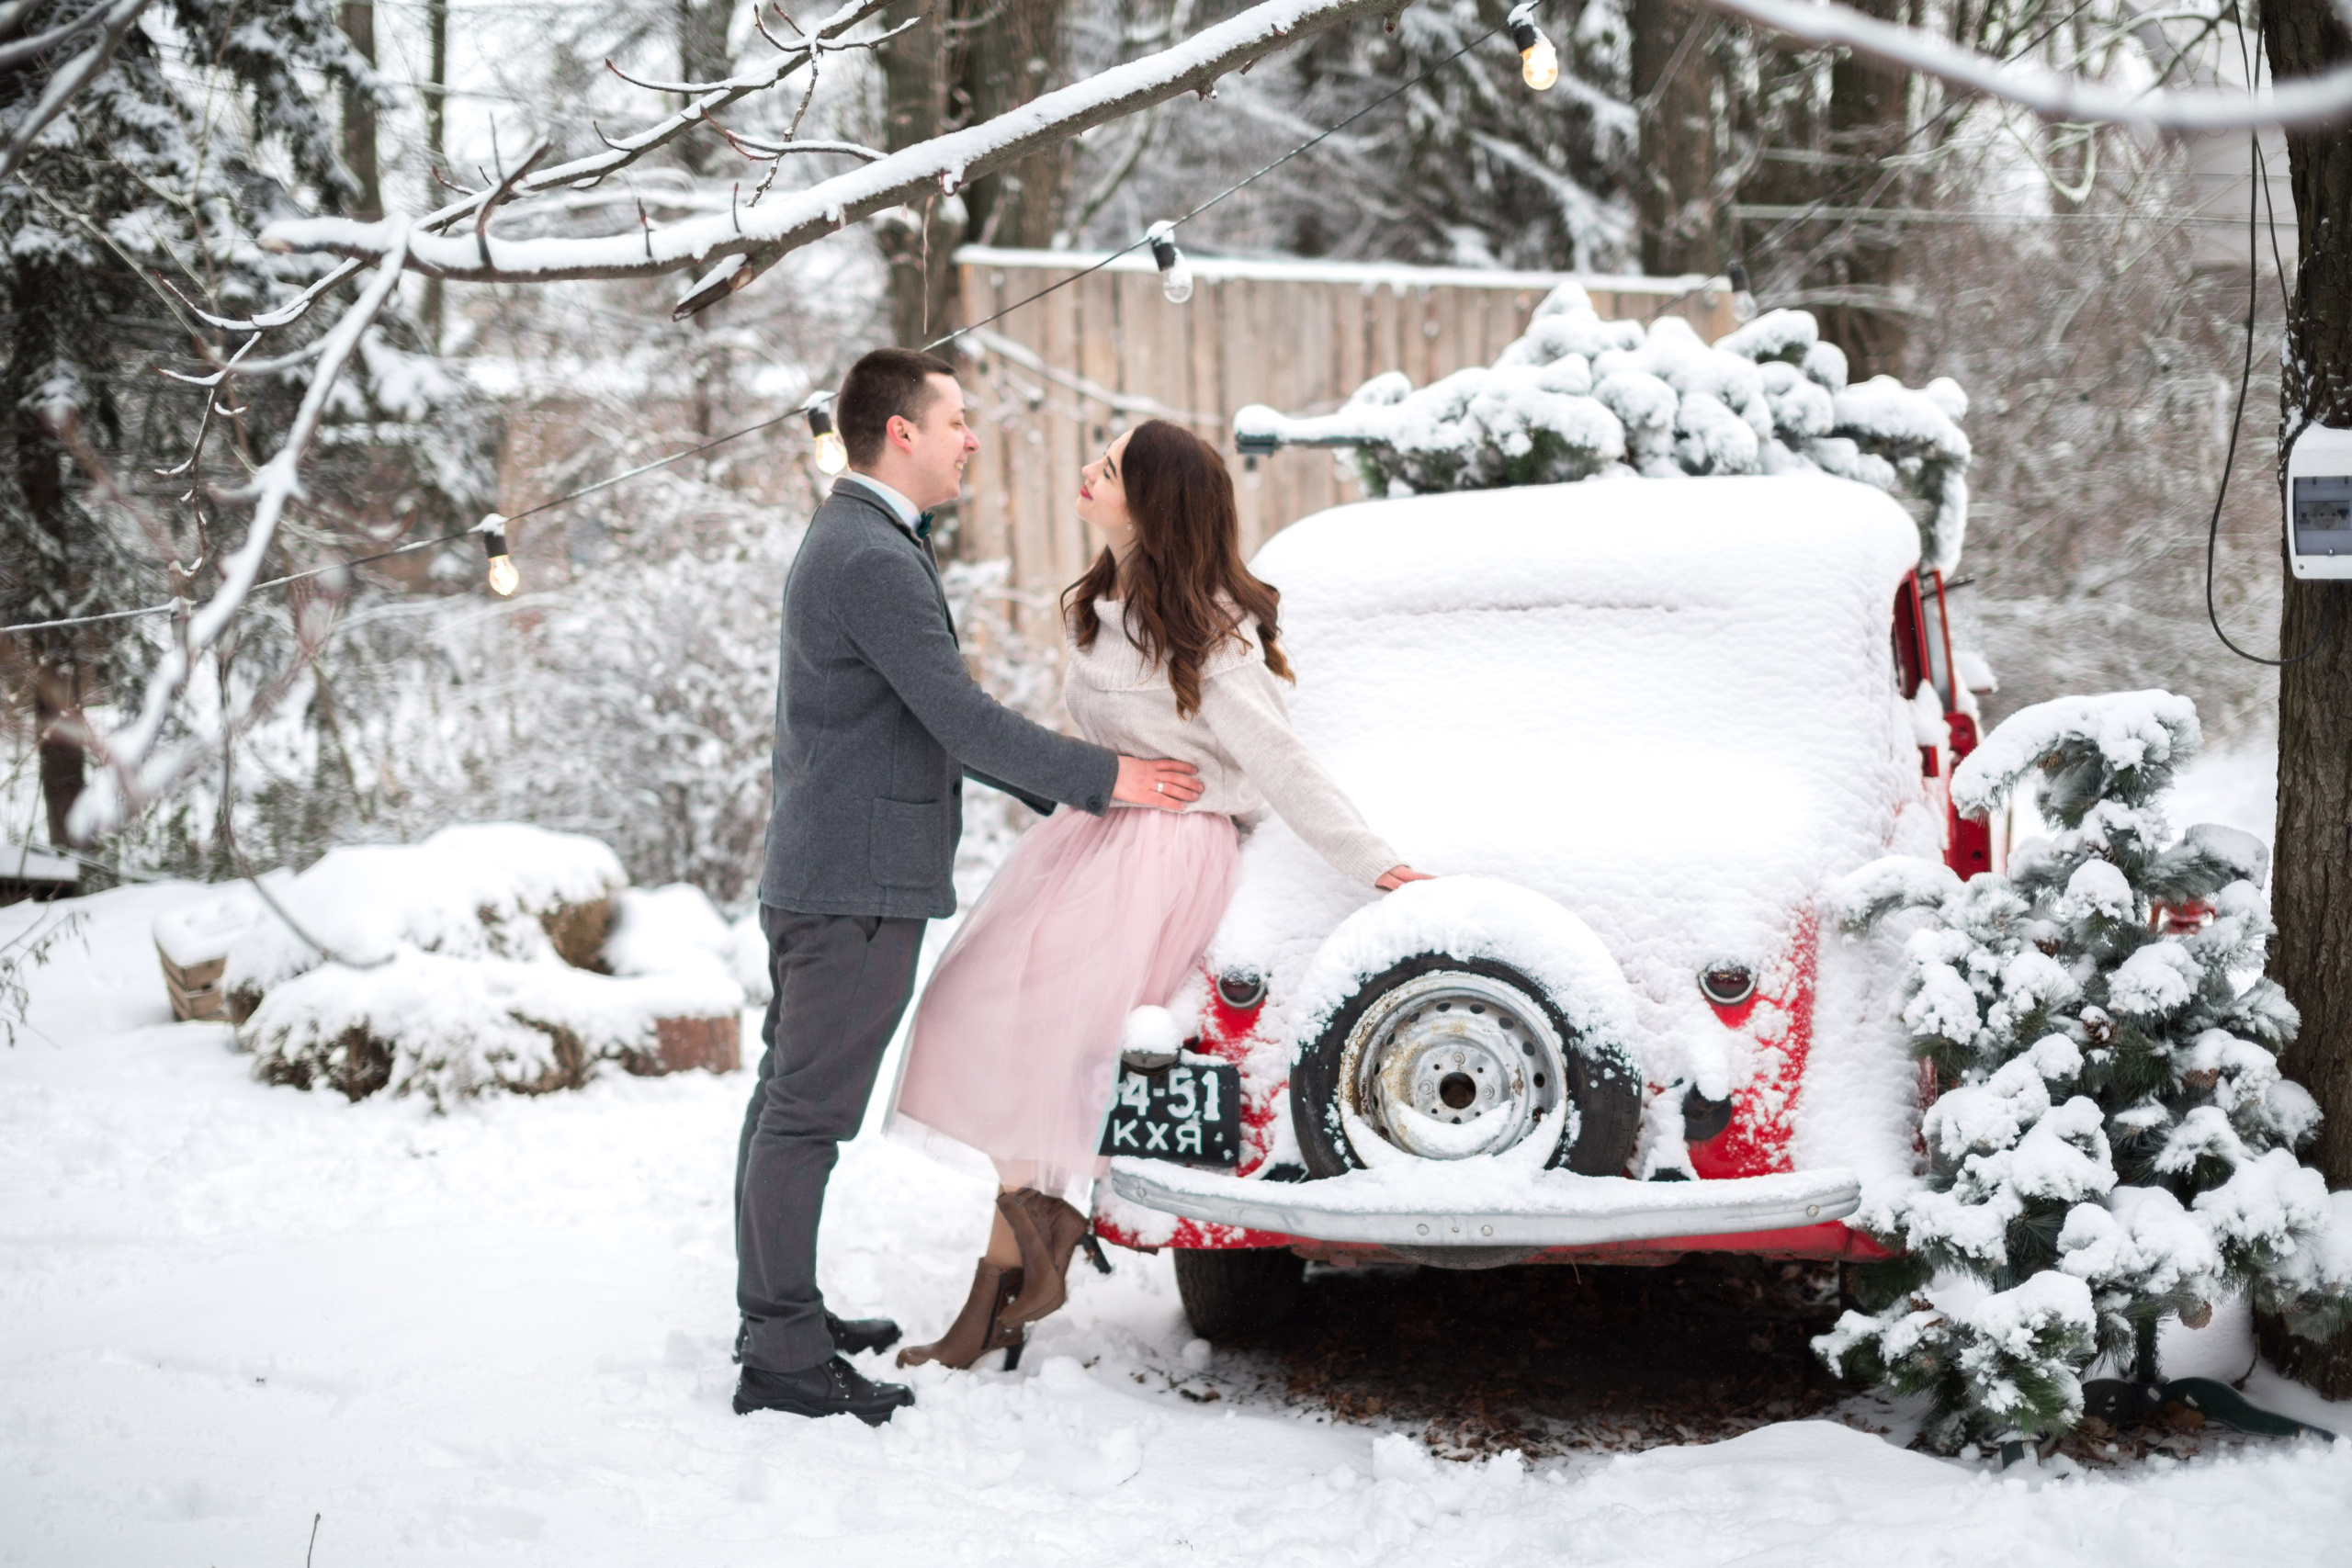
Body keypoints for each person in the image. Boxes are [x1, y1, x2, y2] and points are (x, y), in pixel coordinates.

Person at [888, 418, 1429, 1371]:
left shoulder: (1208, 626)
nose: (1085, 473)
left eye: (1107, 468)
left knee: (1047, 1043)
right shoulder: (1096, 603)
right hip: (1090, 837)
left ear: (1154, 503)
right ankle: (1034, 1239)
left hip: (1166, 855)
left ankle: (1008, 1276)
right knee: (980, 1011)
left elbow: (1279, 761)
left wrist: (1374, 862)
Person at [733, 349, 1206, 1425]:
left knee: (786, 1110)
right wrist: (1108, 780)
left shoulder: (865, 540)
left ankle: (781, 1318)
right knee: (803, 1120)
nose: (972, 437)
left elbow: (928, 719)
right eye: (956, 419)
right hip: (851, 885)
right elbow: (957, 716)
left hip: (837, 874)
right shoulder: (868, 554)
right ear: (901, 432)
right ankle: (780, 1357)